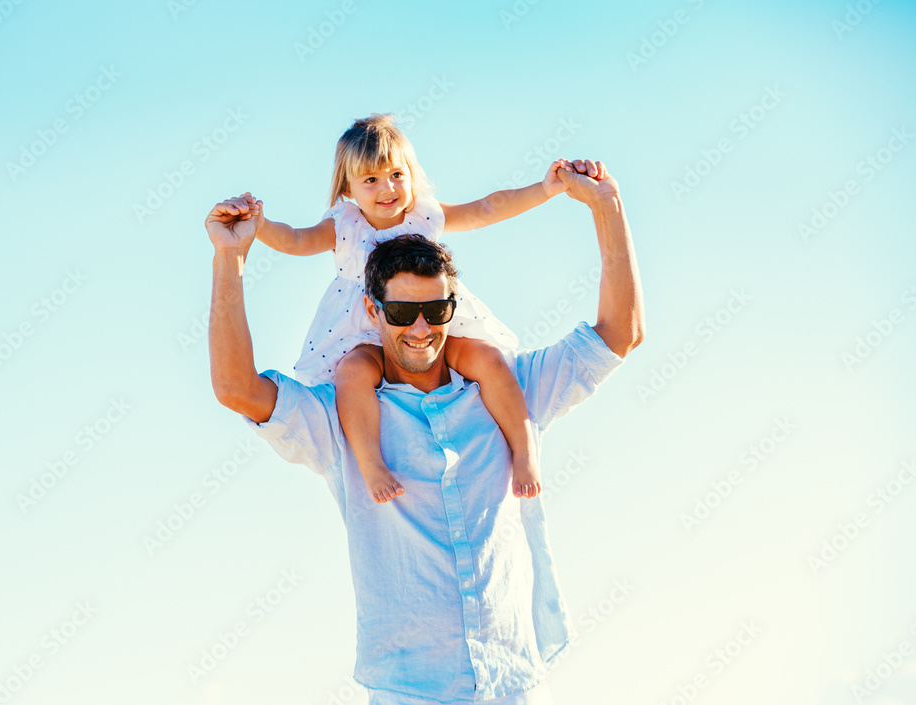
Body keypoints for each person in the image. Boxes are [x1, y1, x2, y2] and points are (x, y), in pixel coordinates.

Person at [205, 158, 645, 704]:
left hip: (513, 683)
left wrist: (607, 205)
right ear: (372, 309)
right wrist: (230, 258)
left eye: (435, 309)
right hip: (408, 689)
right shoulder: (342, 414)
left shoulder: (507, 388)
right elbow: (237, 389)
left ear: (452, 308)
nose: (420, 328)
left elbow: (620, 333)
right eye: (401, 311)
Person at [232, 114, 573, 503]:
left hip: (430, 321)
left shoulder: (423, 215)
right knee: (354, 372)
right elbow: (295, 240)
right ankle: (370, 463)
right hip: (361, 327)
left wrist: (544, 189)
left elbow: (488, 208)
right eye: (371, 180)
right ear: (348, 188)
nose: (387, 188)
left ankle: (525, 450)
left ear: (411, 174)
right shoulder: (344, 225)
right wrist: (260, 225)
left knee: (486, 357)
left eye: (396, 174)